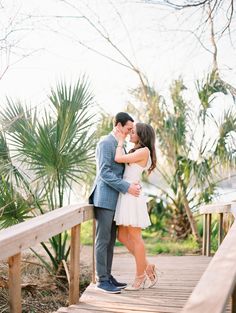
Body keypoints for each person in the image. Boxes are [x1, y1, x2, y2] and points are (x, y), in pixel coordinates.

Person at [89, 112, 141, 294]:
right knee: (103, 240)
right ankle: (101, 280)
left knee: (110, 241)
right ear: (118, 125)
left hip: (115, 200)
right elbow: (104, 173)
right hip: (104, 199)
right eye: (128, 128)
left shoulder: (119, 144)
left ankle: (108, 276)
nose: (129, 132)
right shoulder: (105, 143)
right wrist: (127, 187)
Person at [114, 122, 158, 290]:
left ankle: (139, 279)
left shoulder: (144, 151)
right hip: (127, 193)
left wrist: (119, 141)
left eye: (134, 132)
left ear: (142, 135)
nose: (130, 134)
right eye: (130, 131)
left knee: (135, 237)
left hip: (132, 196)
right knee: (122, 236)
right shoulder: (137, 150)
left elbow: (118, 158)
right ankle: (147, 266)